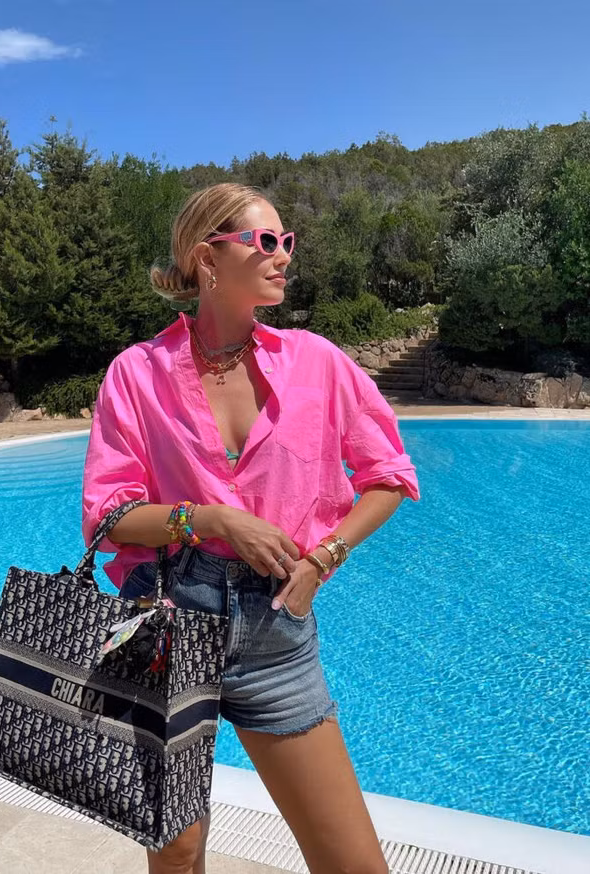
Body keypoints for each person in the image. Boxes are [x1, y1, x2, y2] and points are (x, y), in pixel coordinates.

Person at [82, 182, 421, 874]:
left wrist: (324, 557)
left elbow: (389, 476)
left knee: (354, 864)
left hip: (276, 630)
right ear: (207, 257)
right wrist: (209, 519)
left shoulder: (317, 362)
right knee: (177, 853)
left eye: (286, 241)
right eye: (265, 241)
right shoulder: (137, 374)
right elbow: (109, 518)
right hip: (166, 619)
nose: (283, 256)